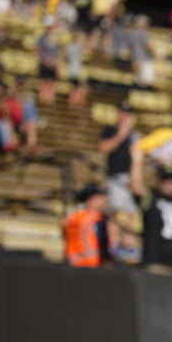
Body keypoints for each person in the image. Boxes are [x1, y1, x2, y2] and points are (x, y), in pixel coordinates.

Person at [100, 99, 140, 260]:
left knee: (132, 212)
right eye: (122, 112)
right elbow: (104, 148)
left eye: (127, 113)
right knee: (115, 211)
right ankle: (114, 245)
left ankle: (129, 245)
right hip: (115, 176)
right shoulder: (110, 130)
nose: (124, 116)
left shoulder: (134, 135)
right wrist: (121, 134)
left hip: (130, 177)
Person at [63, 184, 108, 267]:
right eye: (101, 198)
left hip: (72, 263)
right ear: (93, 199)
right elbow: (102, 241)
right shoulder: (96, 218)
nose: (104, 201)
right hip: (92, 264)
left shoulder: (71, 218)